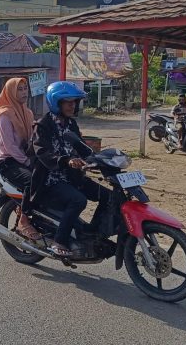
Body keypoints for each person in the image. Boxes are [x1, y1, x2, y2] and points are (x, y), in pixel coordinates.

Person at [29, 81, 111, 257]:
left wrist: (100, 159)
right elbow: (42, 152)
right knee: (78, 200)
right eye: (68, 102)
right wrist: (66, 161)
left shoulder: (71, 125)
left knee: (108, 196)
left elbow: (81, 146)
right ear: (56, 103)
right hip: (50, 179)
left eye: (74, 102)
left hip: (72, 176)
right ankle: (60, 240)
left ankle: (91, 231)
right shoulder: (42, 125)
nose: (72, 105)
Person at [0, 78, 39, 240]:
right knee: (32, 180)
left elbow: (33, 139)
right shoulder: (4, 115)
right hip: (8, 161)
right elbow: (10, 146)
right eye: (19, 89)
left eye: (25, 88)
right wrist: (27, 162)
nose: (24, 92)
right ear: (11, 92)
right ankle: (23, 221)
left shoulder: (28, 113)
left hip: (24, 157)